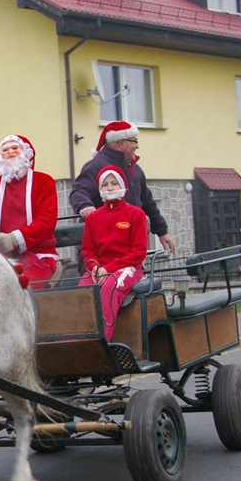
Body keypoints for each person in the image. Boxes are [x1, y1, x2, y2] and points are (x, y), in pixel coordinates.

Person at [69, 121, 176, 254]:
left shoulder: (136, 170)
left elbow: (148, 203)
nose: (137, 146)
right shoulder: (96, 166)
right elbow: (78, 191)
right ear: (122, 143)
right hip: (100, 250)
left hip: (130, 248)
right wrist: (84, 206)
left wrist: (162, 231)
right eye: (134, 141)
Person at [0, 135, 60, 288]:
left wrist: (14, 239)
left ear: (26, 153)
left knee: (25, 285)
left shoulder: (44, 182)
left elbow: (47, 221)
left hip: (36, 253)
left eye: (15, 148)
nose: (10, 152)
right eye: (5, 150)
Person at [79, 166, 148, 341]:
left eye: (114, 183)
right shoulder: (93, 218)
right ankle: (78, 341)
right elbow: (87, 249)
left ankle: (102, 341)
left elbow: (139, 252)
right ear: (100, 189)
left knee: (110, 287)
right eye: (105, 184)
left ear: (123, 185)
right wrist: (94, 267)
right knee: (83, 290)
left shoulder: (135, 214)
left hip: (127, 267)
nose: (110, 188)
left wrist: (108, 269)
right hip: (99, 269)